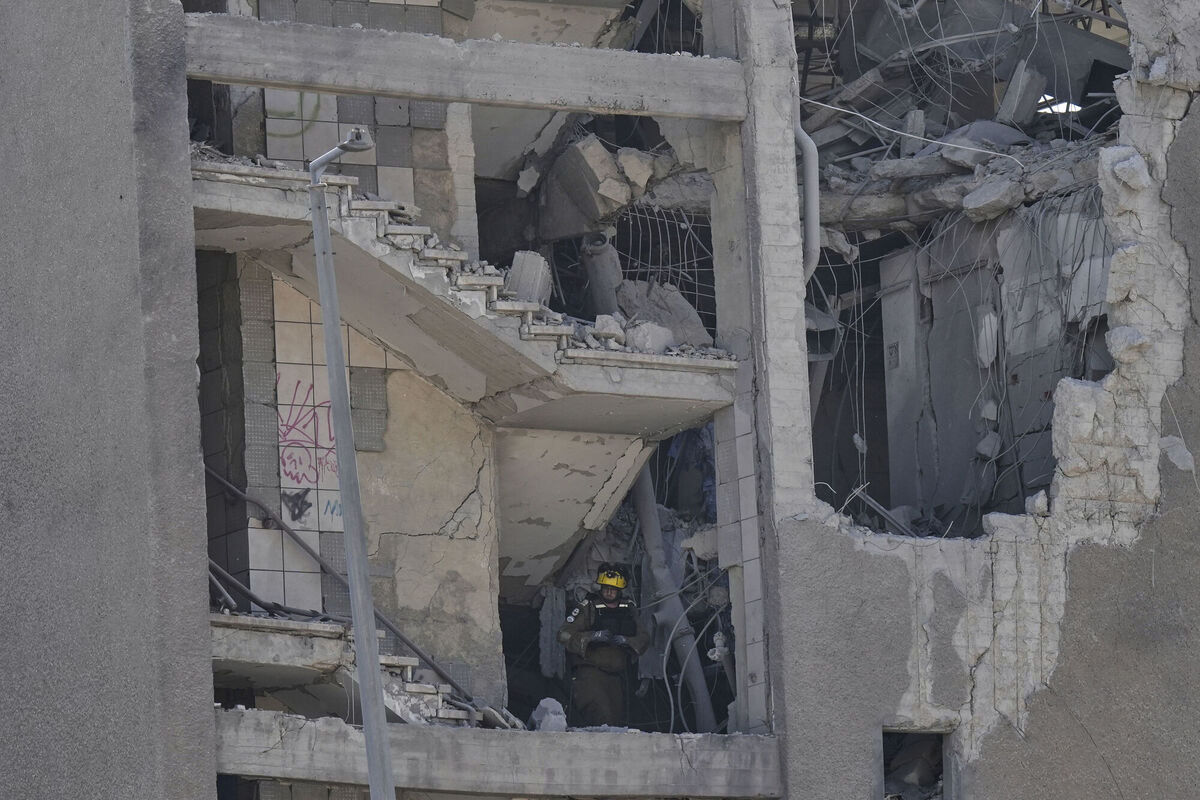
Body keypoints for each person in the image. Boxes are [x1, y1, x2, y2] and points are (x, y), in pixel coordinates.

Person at [558, 563, 650, 727]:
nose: (609, 592)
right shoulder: (588, 607)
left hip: (616, 677)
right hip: (590, 674)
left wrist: (627, 641)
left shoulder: (628, 609)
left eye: (613, 589)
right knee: (601, 717)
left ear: (620, 590)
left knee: (616, 723)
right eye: (606, 587)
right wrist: (592, 636)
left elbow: (643, 637)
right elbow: (564, 634)